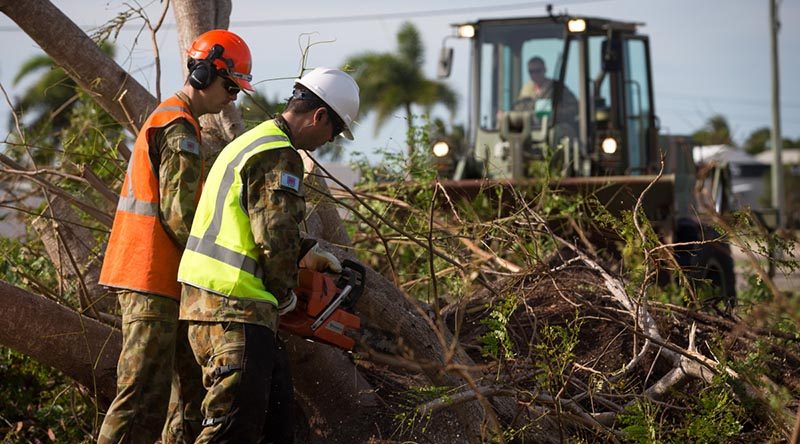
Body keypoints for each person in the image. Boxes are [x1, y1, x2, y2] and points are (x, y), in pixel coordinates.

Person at [175, 67, 359, 443]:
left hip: (208, 304)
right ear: (319, 116)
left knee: (276, 425)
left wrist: (307, 251)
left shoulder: (251, 142)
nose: (330, 140)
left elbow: (248, 216)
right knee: (231, 430)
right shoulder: (279, 154)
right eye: (335, 131)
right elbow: (273, 237)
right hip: (236, 307)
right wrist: (288, 293)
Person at [97, 29, 254, 444]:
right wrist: (225, 261)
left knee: (185, 401)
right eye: (230, 85)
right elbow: (180, 215)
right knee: (139, 398)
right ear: (204, 74)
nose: (233, 97)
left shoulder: (183, 124)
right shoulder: (178, 127)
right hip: (149, 274)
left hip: (167, 279)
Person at [515, 56, 578, 122]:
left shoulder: (556, 87)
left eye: (538, 71)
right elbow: (518, 108)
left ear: (545, 70)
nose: (534, 74)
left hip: (554, 125)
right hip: (532, 127)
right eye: (531, 71)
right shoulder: (526, 90)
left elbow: (575, 108)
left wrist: (554, 112)